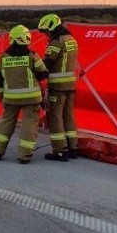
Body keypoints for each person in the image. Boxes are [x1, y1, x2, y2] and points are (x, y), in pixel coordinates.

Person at [0, 25, 49, 164]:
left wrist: (1, 96)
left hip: (11, 98)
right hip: (32, 98)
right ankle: (24, 155)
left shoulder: (2, 57)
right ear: (26, 39)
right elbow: (43, 73)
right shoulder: (32, 56)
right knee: (29, 125)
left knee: (6, 122)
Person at [38, 14, 79, 161]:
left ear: (52, 28)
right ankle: (73, 147)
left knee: (55, 118)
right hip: (71, 86)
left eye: (46, 31)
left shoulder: (56, 42)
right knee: (68, 117)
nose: (45, 35)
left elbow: (47, 63)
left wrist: (35, 72)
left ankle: (60, 151)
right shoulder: (71, 40)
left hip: (58, 87)